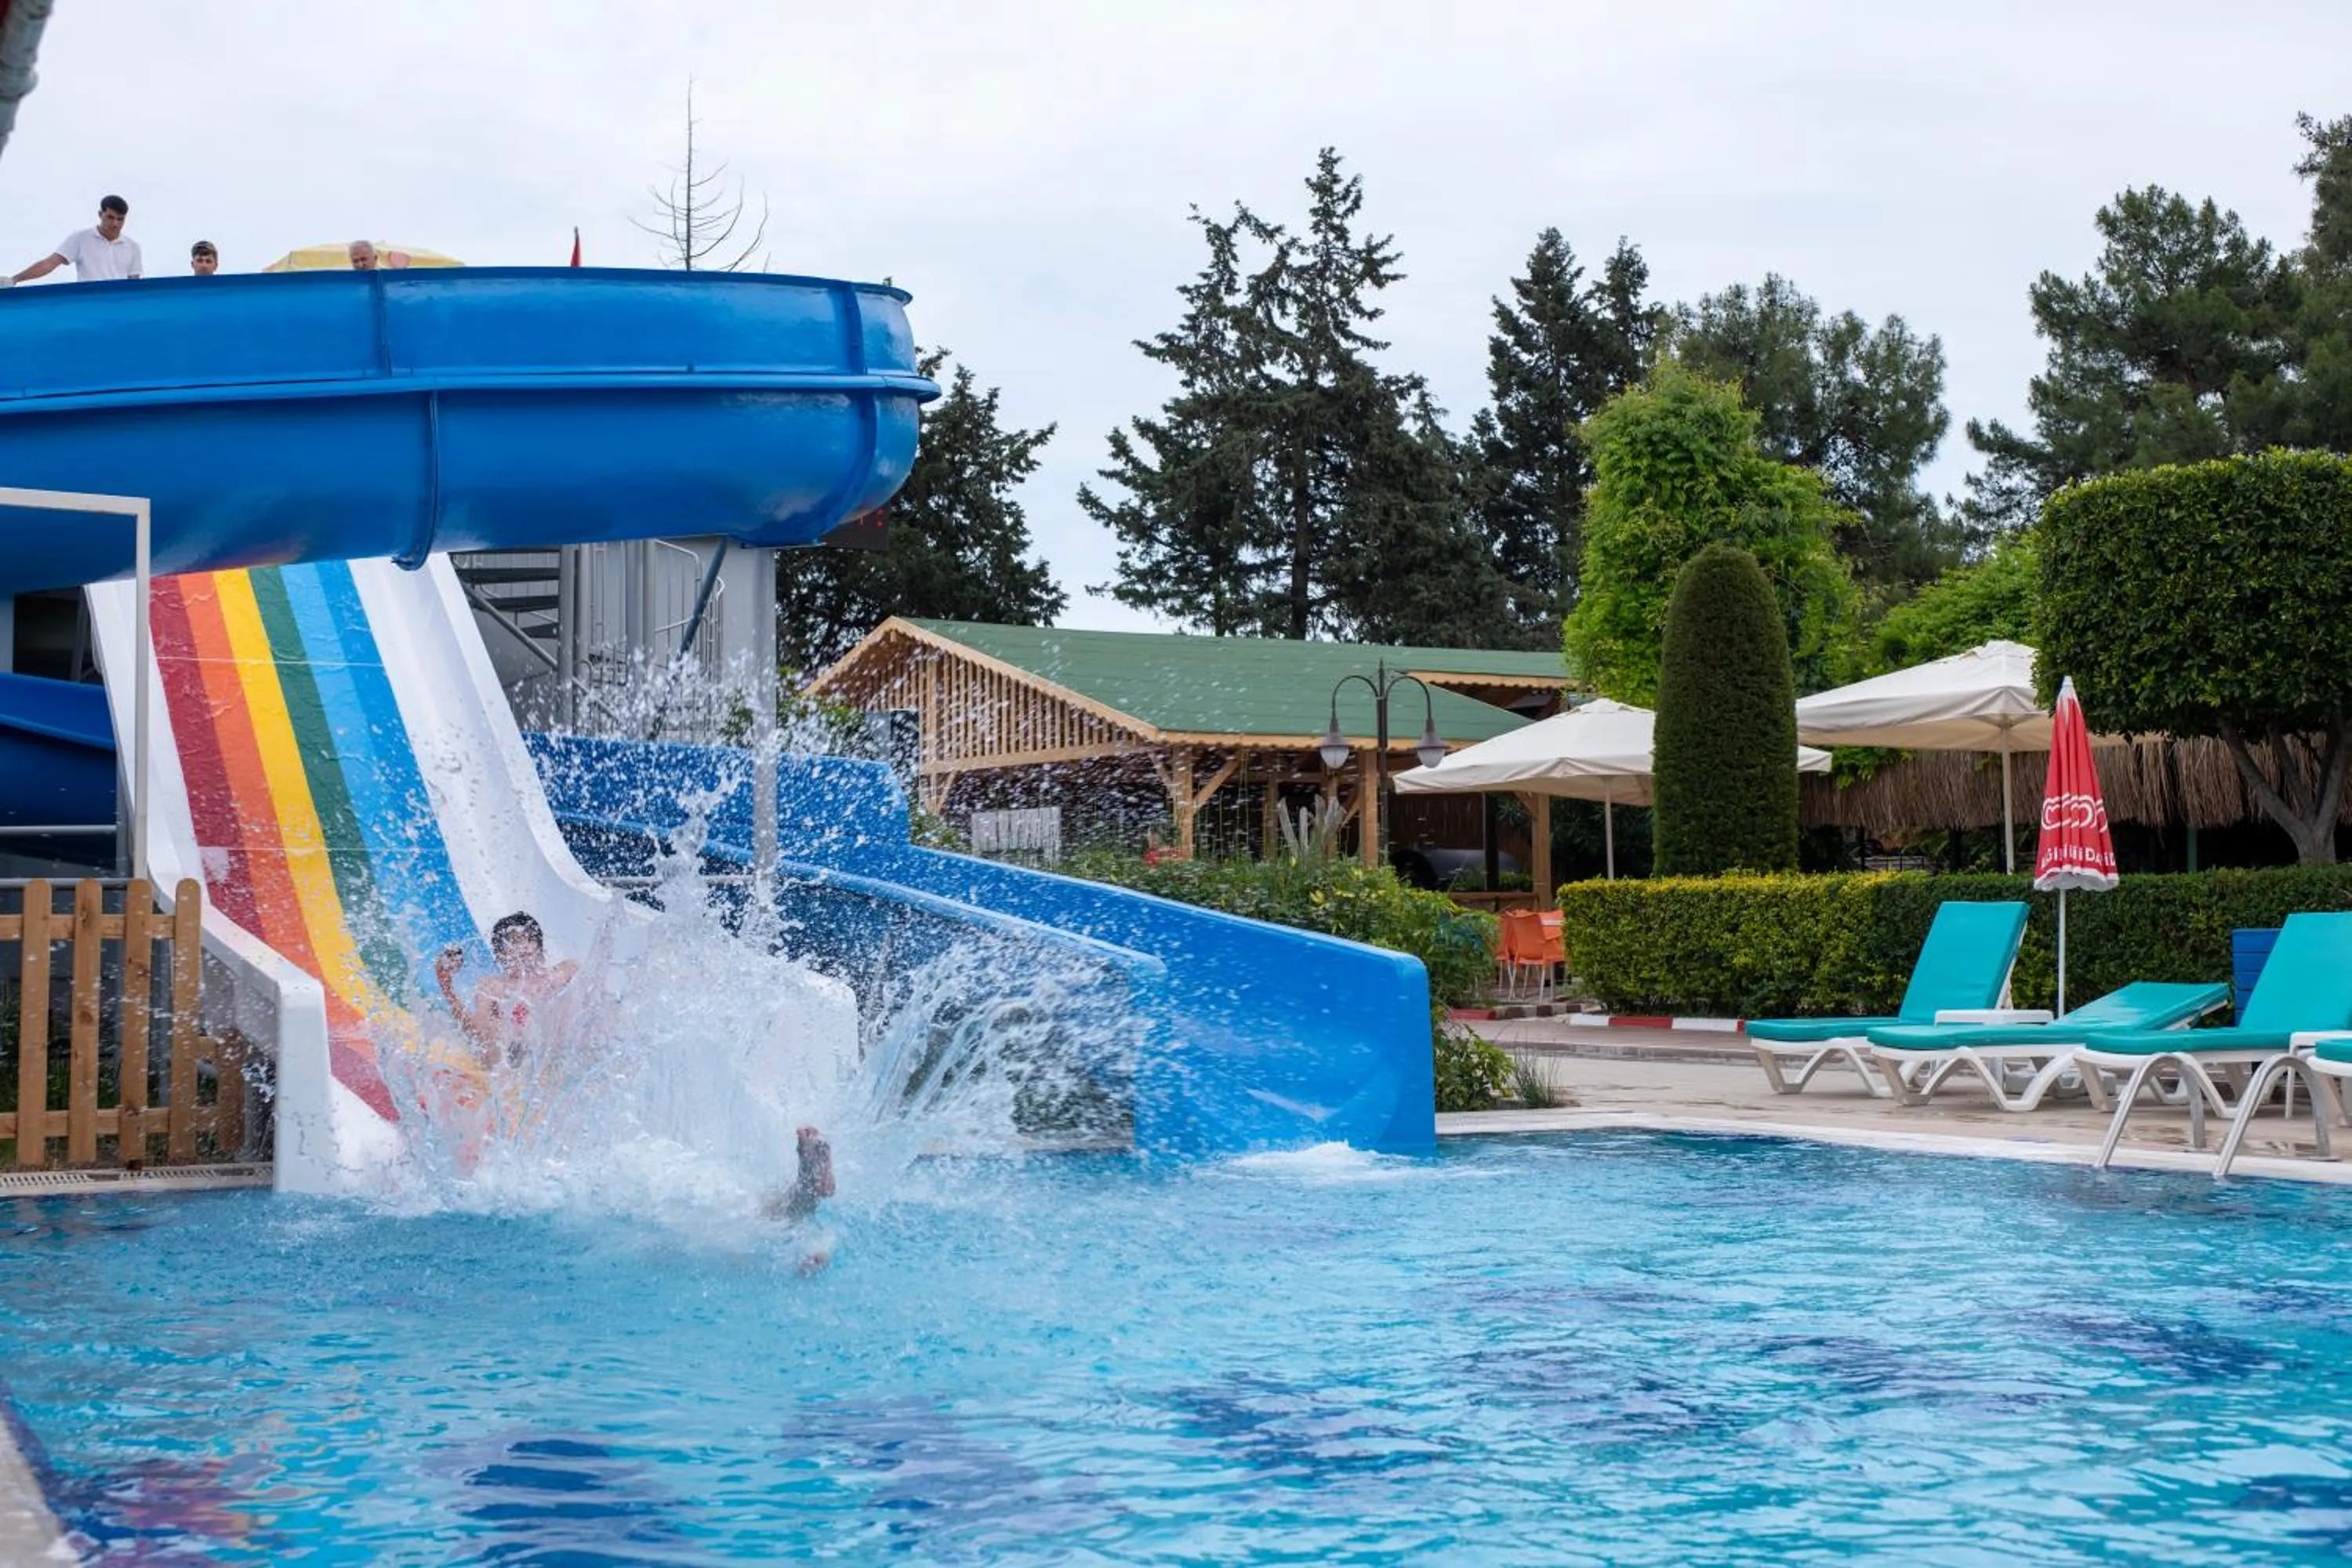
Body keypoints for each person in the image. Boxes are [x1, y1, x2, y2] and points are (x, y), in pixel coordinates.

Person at [433, 911, 579, 1067]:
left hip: (556, 1057)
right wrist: (446, 986)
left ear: (540, 947)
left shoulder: (563, 974)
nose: (522, 948)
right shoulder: (492, 988)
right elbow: (479, 1032)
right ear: (500, 955)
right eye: (514, 942)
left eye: (529, 940)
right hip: (512, 1063)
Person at [8, 194, 142, 285]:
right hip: (88, 304)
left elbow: (134, 284)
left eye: (120, 219)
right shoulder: (81, 238)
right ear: (100, 214)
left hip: (118, 308)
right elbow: (50, 263)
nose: (115, 224)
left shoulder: (133, 247)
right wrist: (15, 279)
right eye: (110, 217)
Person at [761, 1125, 837, 1273]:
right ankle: (808, 1162)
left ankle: (809, 1163)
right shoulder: (807, 1185)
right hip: (777, 1209)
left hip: (779, 1207)